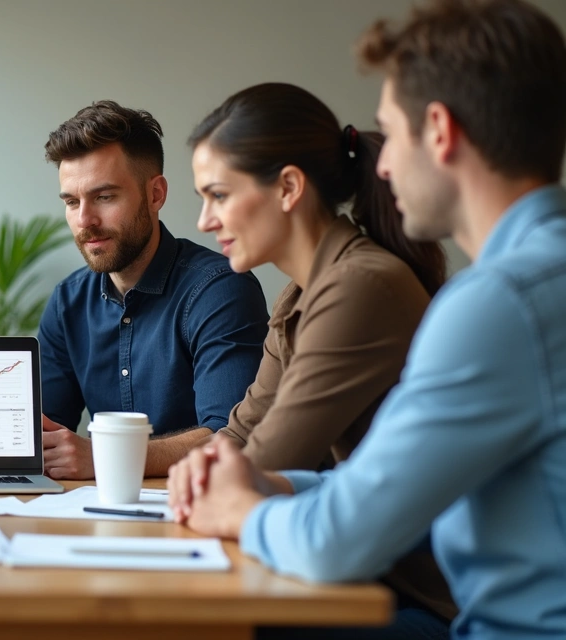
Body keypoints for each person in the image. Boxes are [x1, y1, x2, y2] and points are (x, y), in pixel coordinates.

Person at [169, 1, 566, 638]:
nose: (379, 165)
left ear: (439, 130)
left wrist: (244, 506)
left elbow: (337, 540)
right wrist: (264, 488)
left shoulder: (497, 305)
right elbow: (363, 484)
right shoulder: (531, 284)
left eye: (392, 133)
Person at [187, 82, 455, 629]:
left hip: (414, 601)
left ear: (288, 187)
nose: (204, 220)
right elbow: (242, 435)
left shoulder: (359, 286)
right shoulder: (302, 293)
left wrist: (217, 475)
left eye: (218, 195)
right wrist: (204, 468)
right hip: (361, 575)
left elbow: (263, 462)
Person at [38, 100, 269, 480]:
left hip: (201, 504)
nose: (85, 220)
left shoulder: (220, 290)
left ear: (155, 194)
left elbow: (231, 437)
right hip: (98, 507)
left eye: (104, 197)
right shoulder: (68, 302)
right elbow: (43, 433)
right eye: (72, 202)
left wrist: (109, 458)